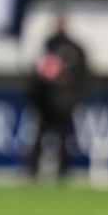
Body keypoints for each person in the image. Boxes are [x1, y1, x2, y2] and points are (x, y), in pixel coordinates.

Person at [27, 15, 90, 180]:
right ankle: (33, 170)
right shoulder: (48, 47)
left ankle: (64, 171)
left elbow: (82, 77)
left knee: (66, 139)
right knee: (40, 138)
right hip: (47, 103)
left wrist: (74, 98)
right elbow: (38, 78)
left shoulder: (75, 49)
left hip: (65, 103)